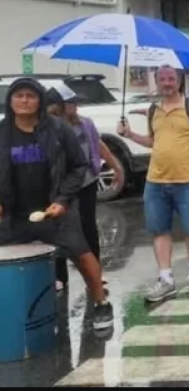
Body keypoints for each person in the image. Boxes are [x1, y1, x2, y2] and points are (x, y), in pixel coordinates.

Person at [0, 78, 114, 331]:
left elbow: (78, 167)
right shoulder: (2, 132)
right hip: (15, 213)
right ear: (10, 101)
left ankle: (101, 303)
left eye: (31, 95)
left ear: (40, 100)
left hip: (55, 209)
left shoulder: (58, 129)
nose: (24, 100)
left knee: (82, 255)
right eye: (19, 96)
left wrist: (62, 201)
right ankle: (12, 316)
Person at [119, 66, 189, 303]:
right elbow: (154, 142)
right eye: (162, 79)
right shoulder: (153, 110)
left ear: (179, 81)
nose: (166, 83)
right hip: (156, 181)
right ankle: (166, 280)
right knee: (159, 230)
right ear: (156, 82)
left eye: (171, 79)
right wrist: (129, 134)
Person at [45, 87, 125, 291]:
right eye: (71, 103)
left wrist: (115, 166)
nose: (75, 106)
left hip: (86, 182)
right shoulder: (51, 127)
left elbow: (98, 145)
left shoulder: (85, 124)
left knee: (89, 228)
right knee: (58, 230)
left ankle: (96, 274)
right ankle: (60, 278)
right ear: (60, 106)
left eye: (75, 102)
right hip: (61, 186)